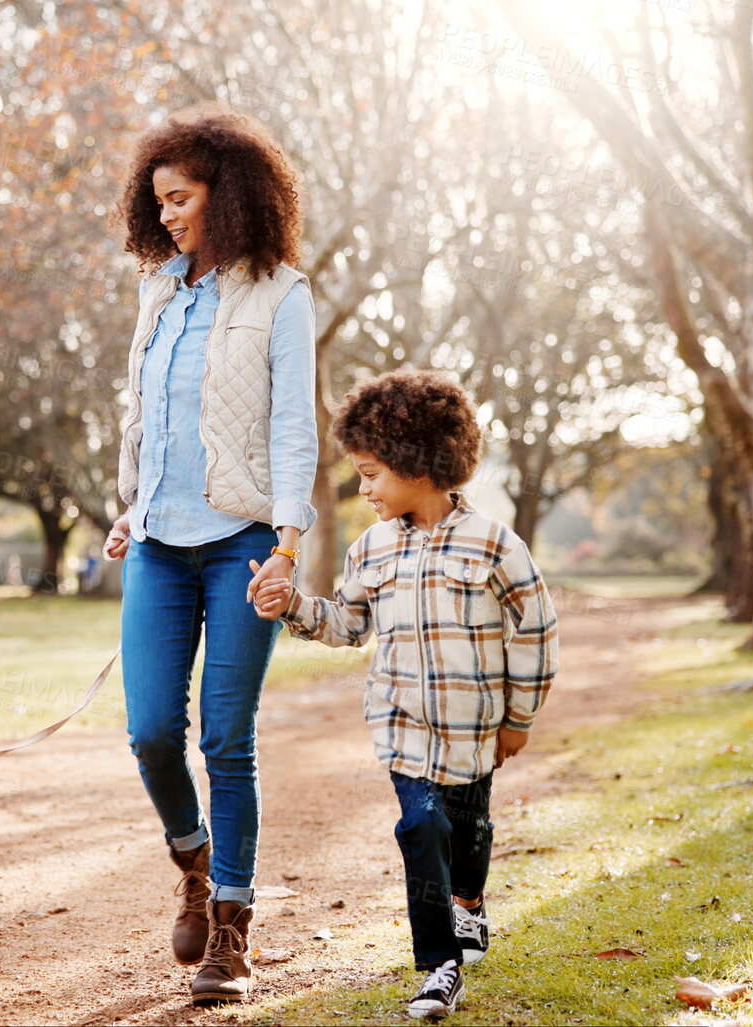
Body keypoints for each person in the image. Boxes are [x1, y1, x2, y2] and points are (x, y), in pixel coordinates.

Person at [249, 368, 559, 1020]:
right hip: (401, 726)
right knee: (419, 825)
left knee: (467, 828)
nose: (362, 489)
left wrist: (518, 718)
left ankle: (469, 902)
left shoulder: (495, 545)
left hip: (474, 729)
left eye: (370, 474)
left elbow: (534, 629)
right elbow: (347, 622)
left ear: (419, 462)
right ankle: (439, 966)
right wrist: (291, 606)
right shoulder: (371, 551)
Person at [100, 104, 319, 1004]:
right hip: (157, 542)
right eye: (156, 202)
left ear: (226, 194)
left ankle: (231, 926)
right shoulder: (158, 291)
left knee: (227, 738)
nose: (165, 217)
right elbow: (141, 414)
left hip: (241, 545)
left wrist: (289, 544)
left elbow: (293, 426)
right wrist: (130, 504)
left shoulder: (281, 294)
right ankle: (192, 859)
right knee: (151, 731)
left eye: (179, 198)